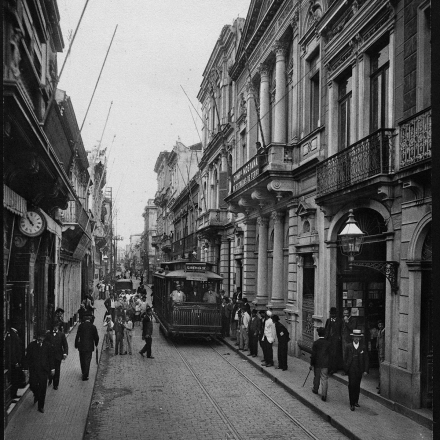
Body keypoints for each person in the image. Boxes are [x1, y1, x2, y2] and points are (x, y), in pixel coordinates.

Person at [24, 331, 55, 413]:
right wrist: (26, 368)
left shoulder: (47, 346)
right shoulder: (31, 345)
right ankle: (36, 394)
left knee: (43, 388)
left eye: (42, 337)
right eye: (40, 337)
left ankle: (41, 406)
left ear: (44, 338)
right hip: (33, 370)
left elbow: (51, 358)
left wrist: (52, 368)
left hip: (44, 371)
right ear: (37, 337)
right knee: (32, 385)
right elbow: (27, 358)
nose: (41, 339)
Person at [344, 329, 369, 411]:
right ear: (352, 338)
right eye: (355, 337)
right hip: (351, 368)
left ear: (360, 338)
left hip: (359, 369)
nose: (356, 339)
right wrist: (346, 367)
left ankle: (356, 401)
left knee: (357, 385)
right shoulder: (348, 346)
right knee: (351, 385)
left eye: (358, 337)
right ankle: (351, 403)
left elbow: (366, 359)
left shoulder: (363, 347)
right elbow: (345, 358)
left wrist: (365, 370)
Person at [74, 315, 99, 380]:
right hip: (89, 347)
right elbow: (96, 337)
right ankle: (85, 375)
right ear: (90, 320)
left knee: (82, 360)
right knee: (87, 360)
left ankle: (83, 372)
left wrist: (76, 344)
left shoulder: (80, 326)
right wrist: (96, 344)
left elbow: (77, 336)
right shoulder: (93, 327)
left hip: (81, 346)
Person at [310, 327, 331, 402]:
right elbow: (330, 354)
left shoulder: (316, 343)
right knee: (324, 378)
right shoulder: (328, 343)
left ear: (318, 334)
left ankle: (315, 389)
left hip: (317, 363)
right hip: (325, 363)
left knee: (317, 377)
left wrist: (311, 364)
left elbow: (313, 355)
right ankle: (324, 395)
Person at [45, 324, 68, 390]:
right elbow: (45, 344)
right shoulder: (48, 335)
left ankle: (56, 384)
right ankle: (50, 378)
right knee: (50, 368)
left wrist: (65, 353)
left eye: (56, 326)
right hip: (50, 356)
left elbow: (65, 344)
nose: (55, 327)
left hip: (58, 355)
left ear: (58, 327)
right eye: (54, 326)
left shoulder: (61, 334)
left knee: (57, 370)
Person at [5, 324, 23, 399]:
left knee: (16, 378)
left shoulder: (13, 333)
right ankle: (12, 395)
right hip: (14, 362)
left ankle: (14, 394)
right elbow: (12, 350)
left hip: (16, 361)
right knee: (14, 378)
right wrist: (15, 361)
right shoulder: (12, 334)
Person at [324, 307, 343, 374]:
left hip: (336, 340)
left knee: (335, 355)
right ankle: (329, 368)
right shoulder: (328, 320)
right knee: (329, 354)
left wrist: (339, 338)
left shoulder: (340, 321)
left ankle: (334, 369)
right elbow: (326, 330)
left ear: (336, 314)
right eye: (331, 314)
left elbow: (341, 331)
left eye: (334, 314)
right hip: (329, 340)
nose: (332, 315)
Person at [376, 319, 385, 394]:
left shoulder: (384, 332)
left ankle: (381, 387)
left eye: (381, 325)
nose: (380, 326)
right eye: (379, 325)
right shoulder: (379, 331)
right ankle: (379, 384)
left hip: (383, 354)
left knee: (381, 371)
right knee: (380, 370)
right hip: (379, 353)